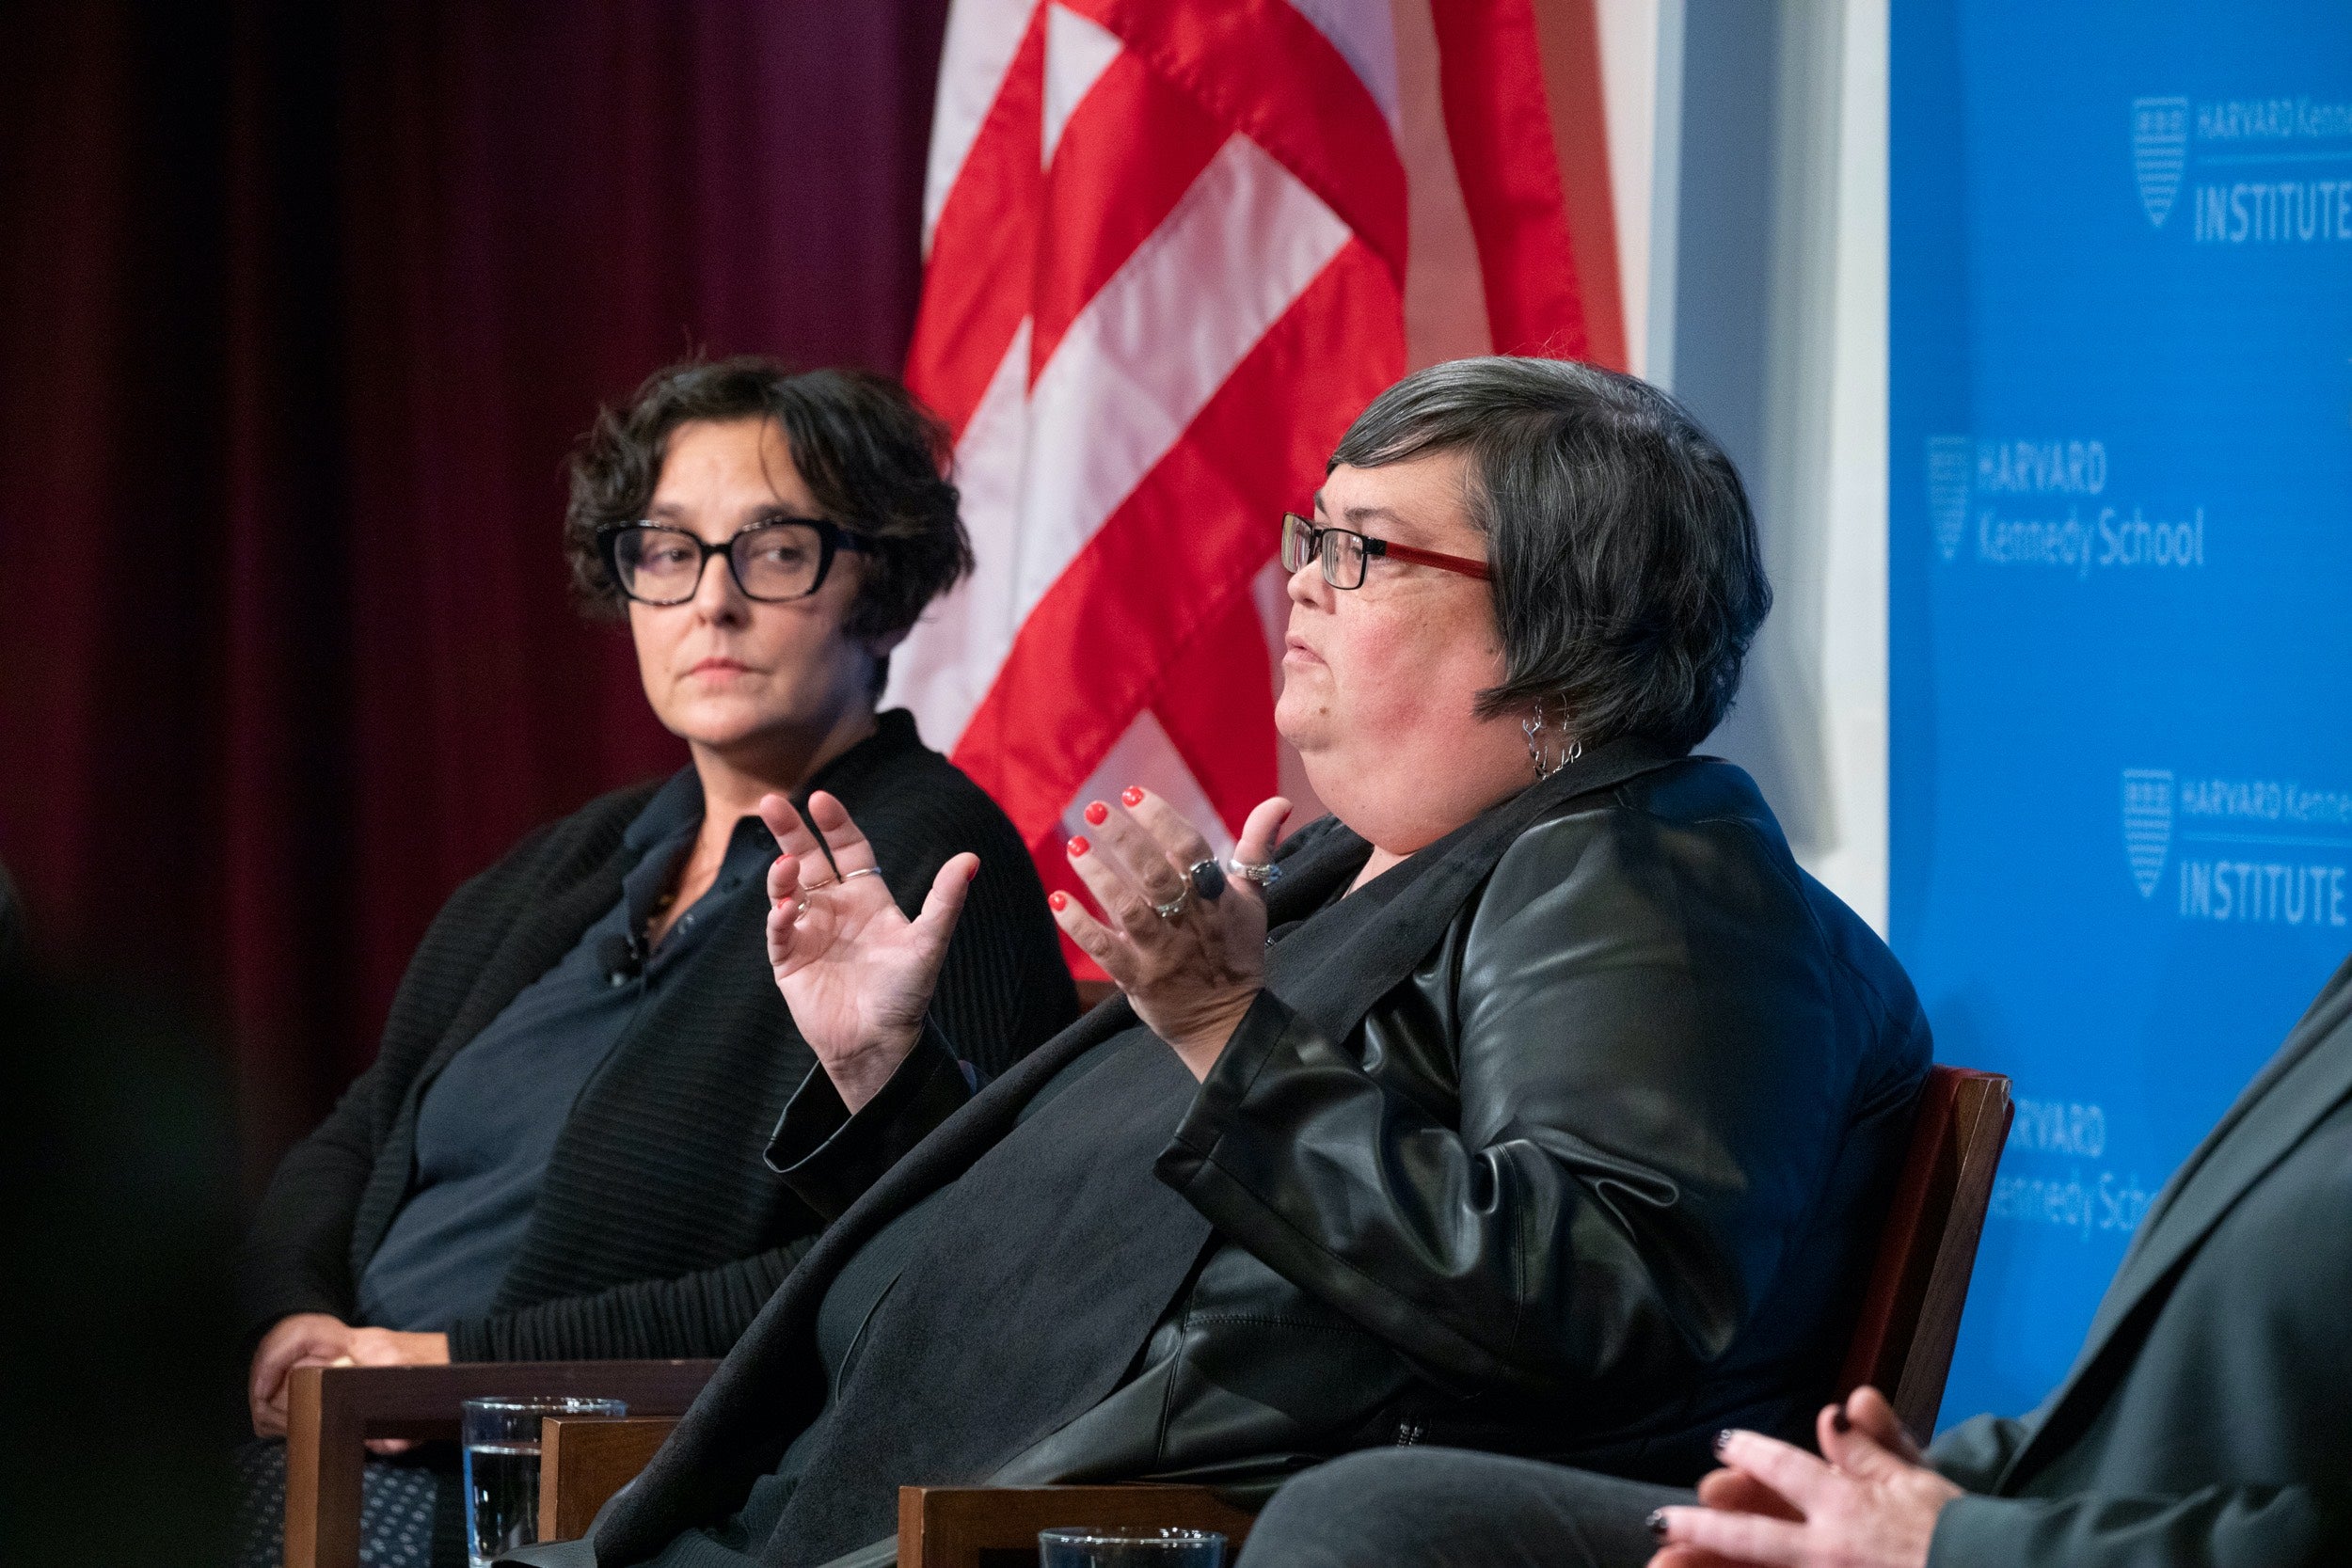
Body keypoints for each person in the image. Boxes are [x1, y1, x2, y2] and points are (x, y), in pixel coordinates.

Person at [512, 356, 1932, 1567]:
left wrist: (1224, 1023)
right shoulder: (1338, 866)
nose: (1304, 582)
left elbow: (1605, 1294)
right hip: (905, 1493)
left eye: (1362, 550)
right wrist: (887, 1078)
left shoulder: (1647, 876)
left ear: (1556, 626)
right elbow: (1119, 1255)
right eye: (1312, 534)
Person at [233, 357, 1077, 1568]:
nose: (710, 603)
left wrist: (460, 1368)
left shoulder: (928, 860)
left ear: (878, 587)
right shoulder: (568, 863)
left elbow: (935, 1259)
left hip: (595, 1483)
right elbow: (360, 1136)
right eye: (669, 551)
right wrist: (288, 1320)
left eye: (775, 549)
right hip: (334, 1433)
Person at [1235, 952, 2352, 1568]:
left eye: (1361, 551)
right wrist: (1910, 1485)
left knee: (1365, 1528)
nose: (1309, 590)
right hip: (2013, 1527)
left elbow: (1573, 1305)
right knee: (1374, 1517)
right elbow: (2182, 1410)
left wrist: (1946, 1541)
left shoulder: (1675, 908)